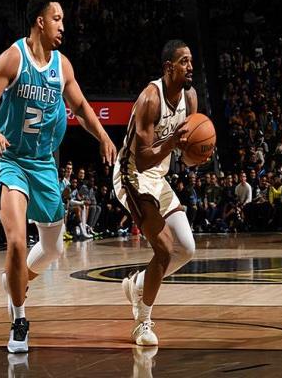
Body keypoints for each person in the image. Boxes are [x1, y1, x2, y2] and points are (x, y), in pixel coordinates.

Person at [0, 0, 116, 353]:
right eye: (57, 19)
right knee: (17, 241)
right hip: (11, 159)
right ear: (40, 21)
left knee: (52, 248)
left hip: (44, 164)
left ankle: (14, 279)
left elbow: (81, 106)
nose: (62, 26)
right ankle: (19, 319)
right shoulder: (14, 58)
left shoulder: (62, 66)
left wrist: (103, 137)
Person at [113, 39, 197, 346]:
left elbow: (186, 155)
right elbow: (143, 158)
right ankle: (142, 322)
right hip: (132, 176)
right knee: (164, 248)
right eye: (184, 61)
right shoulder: (150, 98)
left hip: (158, 178)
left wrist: (198, 151)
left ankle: (139, 283)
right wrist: (173, 142)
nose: (190, 67)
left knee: (186, 248)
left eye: (191, 61)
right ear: (168, 67)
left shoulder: (190, 97)